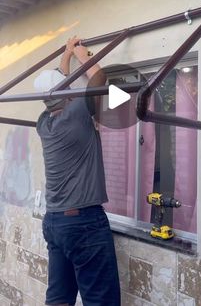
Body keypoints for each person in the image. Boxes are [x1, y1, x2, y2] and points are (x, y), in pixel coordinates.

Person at [34, 36, 121, 306]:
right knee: (100, 301)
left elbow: (60, 85)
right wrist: (83, 55)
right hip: (83, 223)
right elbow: (99, 78)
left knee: (59, 298)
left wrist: (66, 54)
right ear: (65, 93)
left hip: (55, 222)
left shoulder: (44, 122)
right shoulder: (78, 113)